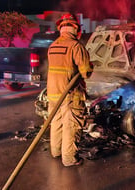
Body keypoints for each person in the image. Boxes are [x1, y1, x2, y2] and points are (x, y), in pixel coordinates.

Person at [47, 13, 93, 167]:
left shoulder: (52, 46)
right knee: (71, 125)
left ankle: (56, 151)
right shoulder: (76, 46)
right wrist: (89, 66)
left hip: (53, 94)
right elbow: (86, 72)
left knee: (56, 122)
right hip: (70, 95)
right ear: (75, 28)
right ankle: (68, 159)